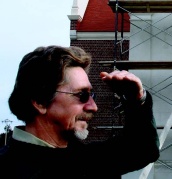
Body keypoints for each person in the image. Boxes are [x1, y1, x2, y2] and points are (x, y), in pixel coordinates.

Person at [0, 45, 160, 179]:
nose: (93, 106)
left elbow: (142, 148)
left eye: (92, 95)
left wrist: (136, 100)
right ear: (40, 101)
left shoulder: (90, 160)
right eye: (82, 95)